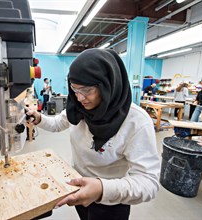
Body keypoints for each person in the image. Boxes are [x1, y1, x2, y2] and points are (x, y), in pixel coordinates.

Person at [27, 49, 160, 220]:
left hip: (112, 200)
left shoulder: (136, 122)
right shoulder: (78, 106)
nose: (80, 97)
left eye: (86, 90)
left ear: (107, 84)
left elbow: (148, 182)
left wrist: (102, 189)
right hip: (80, 190)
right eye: (74, 89)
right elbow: (58, 123)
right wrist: (38, 118)